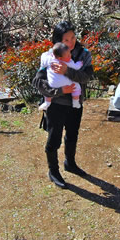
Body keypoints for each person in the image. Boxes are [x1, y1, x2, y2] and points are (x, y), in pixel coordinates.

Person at [32, 22, 94, 189]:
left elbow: (87, 77)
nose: (71, 42)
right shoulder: (51, 55)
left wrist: (66, 71)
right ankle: (53, 171)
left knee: (72, 134)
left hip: (75, 103)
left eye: (73, 37)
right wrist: (59, 90)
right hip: (56, 104)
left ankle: (70, 163)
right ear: (58, 40)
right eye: (66, 39)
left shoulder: (83, 54)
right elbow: (38, 81)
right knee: (54, 138)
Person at [38, 42, 83, 111]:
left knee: (47, 91)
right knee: (76, 86)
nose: (70, 56)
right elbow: (76, 67)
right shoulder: (68, 63)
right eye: (68, 55)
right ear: (60, 58)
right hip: (67, 83)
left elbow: (43, 58)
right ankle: (75, 102)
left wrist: (49, 52)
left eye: (70, 53)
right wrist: (80, 63)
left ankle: (47, 102)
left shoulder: (49, 59)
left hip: (52, 84)